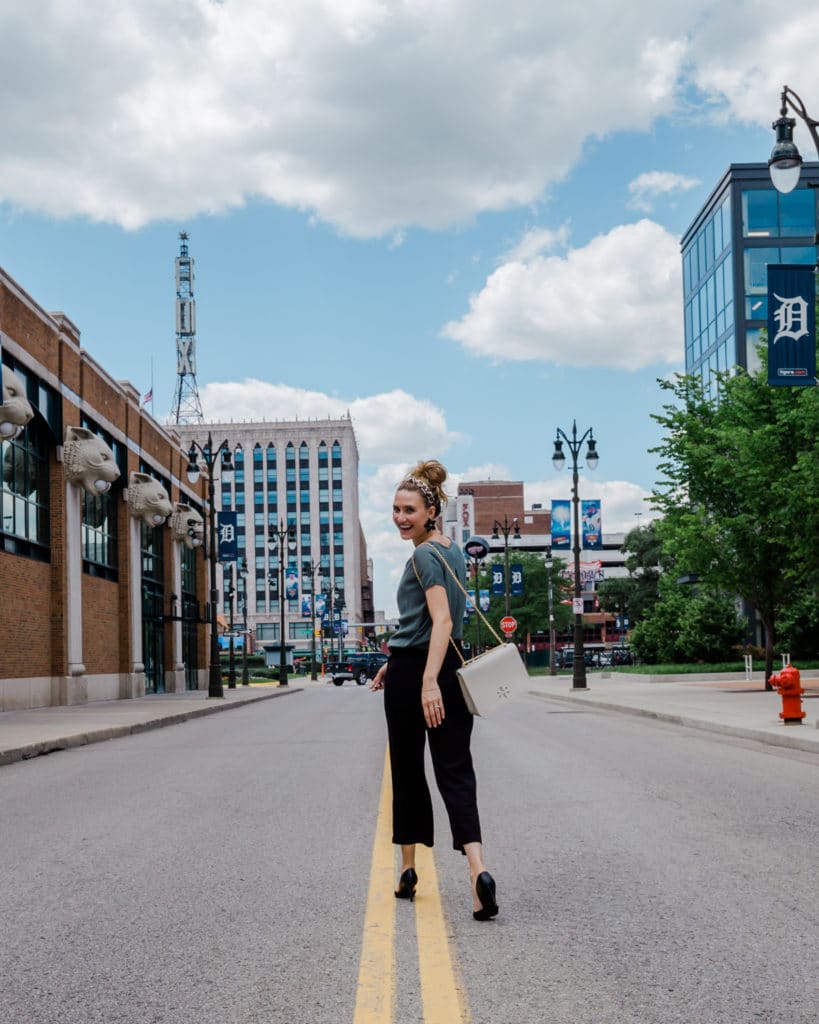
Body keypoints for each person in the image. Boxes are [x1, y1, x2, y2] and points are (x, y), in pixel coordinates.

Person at [370, 460, 498, 921]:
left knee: (407, 770)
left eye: (409, 510)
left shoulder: (423, 555)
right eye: (396, 509)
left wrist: (423, 680)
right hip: (441, 668)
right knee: (456, 771)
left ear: (430, 511)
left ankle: (408, 869)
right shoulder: (452, 550)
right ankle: (477, 870)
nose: (401, 518)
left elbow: (439, 620)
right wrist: (393, 661)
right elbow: (433, 625)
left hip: (421, 675)